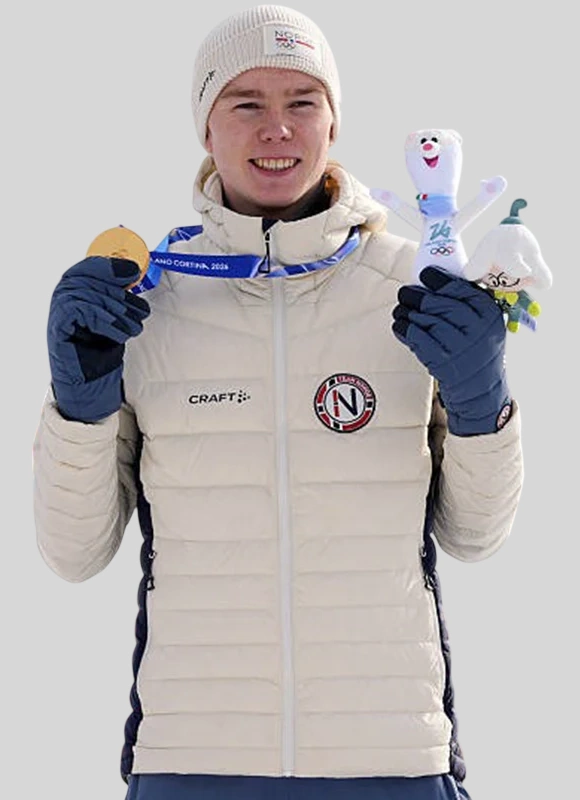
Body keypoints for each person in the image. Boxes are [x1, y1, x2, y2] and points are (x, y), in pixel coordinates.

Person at [33, 5, 523, 800]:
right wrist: (77, 409)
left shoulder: (416, 288)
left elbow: (475, 536)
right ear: (205, 126)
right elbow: (74, 552)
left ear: (334, 123)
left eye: (302, 102)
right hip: (193, 757)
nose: (278, 129)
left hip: (389, 756)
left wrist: (482, 405)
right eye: (246, 104)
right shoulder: (145, 304)